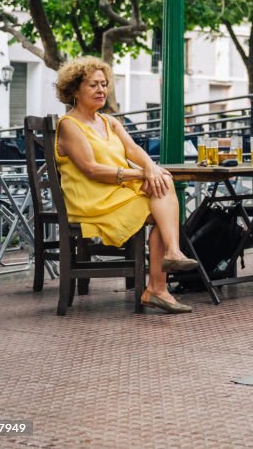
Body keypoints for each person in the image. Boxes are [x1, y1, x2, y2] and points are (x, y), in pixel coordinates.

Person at [54, 57, 198, 314]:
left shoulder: (109, 121)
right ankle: (158, 285)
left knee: (162, 185)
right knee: (162, 201)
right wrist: (140, 174)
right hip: (92, 200)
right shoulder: (69, 125)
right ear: (74, 90)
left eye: (104, 84)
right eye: (93, 85)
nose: (101, 90)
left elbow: (133, 148)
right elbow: (91, 169)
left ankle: (165, 269)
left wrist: (152, 169)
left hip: (117, 193)